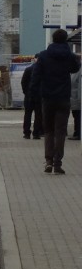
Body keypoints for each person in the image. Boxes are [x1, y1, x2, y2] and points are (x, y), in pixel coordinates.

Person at [36, 28, 81, 174]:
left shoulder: (43, 55)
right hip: (63, 98)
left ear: (53, 39)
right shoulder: (69, 56)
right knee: (60, 132)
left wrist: (34, 93)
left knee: (49, 130)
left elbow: (36, 75)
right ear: (65, 40)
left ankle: (48, 161)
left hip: (47, 98)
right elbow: (75, 69)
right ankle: (57, 163)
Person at [21, 57, 43, 140]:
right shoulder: (42, 70)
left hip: (29, 96)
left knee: (27, 114)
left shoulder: (28, 69)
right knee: (38, 115)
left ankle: (27, 133)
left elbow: (23, 82)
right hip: (39, 96)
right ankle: (36, 133)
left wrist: (26, 92)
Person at [72, 68, 82, 141]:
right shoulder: (74, 70)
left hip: (77, 99)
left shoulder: (79, 71)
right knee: (75, 115)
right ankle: (76, 133)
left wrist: (79, 99)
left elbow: (80, 87)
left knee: (78, 116)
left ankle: (78, 133)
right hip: (73, 98)